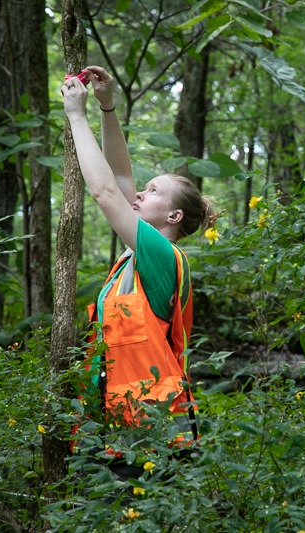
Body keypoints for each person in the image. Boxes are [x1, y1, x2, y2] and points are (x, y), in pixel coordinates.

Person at [61, 66, 214, 454]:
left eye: (153, 191)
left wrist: (76, 115)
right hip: (116, 427)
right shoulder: (133, 258)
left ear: (174, 217)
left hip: (153, 435)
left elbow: (105, 191)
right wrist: (107, 107)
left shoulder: (162, 256)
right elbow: (119, 174)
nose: (141, 194)